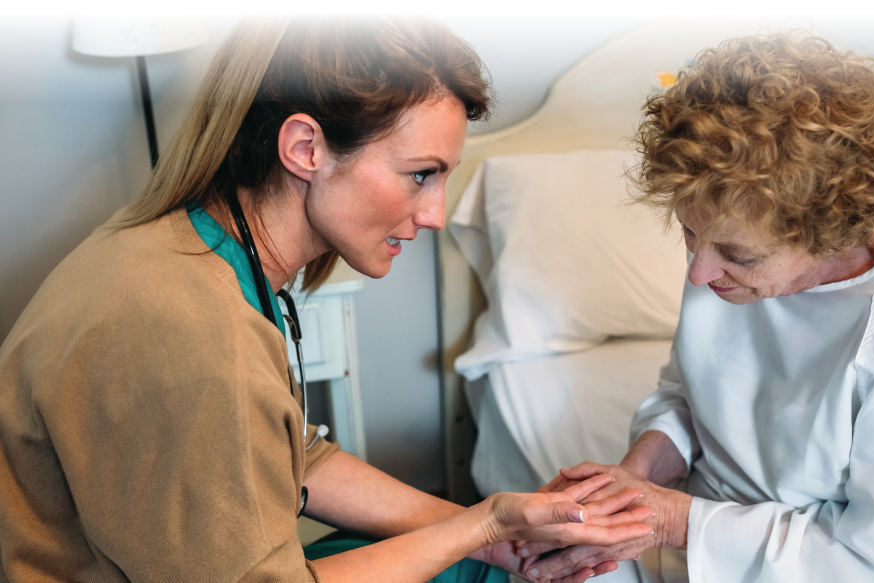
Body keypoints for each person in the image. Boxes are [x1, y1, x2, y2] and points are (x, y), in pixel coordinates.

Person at [0, 13, 654, 583]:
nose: (433, 215)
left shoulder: (191, 254)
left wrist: (495, 533)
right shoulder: (196, 335)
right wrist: (483, 524)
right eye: (420, 175)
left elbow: (295, 458)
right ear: (305, 148)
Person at [516, 27, 874, 583]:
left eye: (737, 256)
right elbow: (691, 388)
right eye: (688, 234)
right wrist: (633, 481)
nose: (700, 274)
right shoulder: (729, 222)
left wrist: (670, 520)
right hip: (707, 521)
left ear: (828, 233)